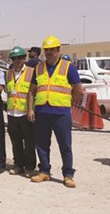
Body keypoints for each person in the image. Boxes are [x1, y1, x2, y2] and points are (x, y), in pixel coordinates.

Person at [27, 36, 84, 188]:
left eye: (52, 49)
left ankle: (68, 175)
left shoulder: (68, 67)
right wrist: (30, 109)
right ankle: (45, 171)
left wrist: (69, 103)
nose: (49, 52)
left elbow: (78, 90)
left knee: (65, 145)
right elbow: (31, 91)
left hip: (61, 113)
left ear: (58, 50)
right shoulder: (38, 68)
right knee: (42, 144)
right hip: (42, 112)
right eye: (47, 50)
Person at [5, 46, 37, 177]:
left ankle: (29, 167)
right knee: (15, 142)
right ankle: (18, 165)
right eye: (14, 58)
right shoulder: (8, 73)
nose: (17, 60)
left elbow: (34, 92)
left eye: (20, 58)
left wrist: (31, 110)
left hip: (26, 112)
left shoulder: (31, 72)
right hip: (12, 112)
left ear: (25, 58)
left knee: (29, 142)